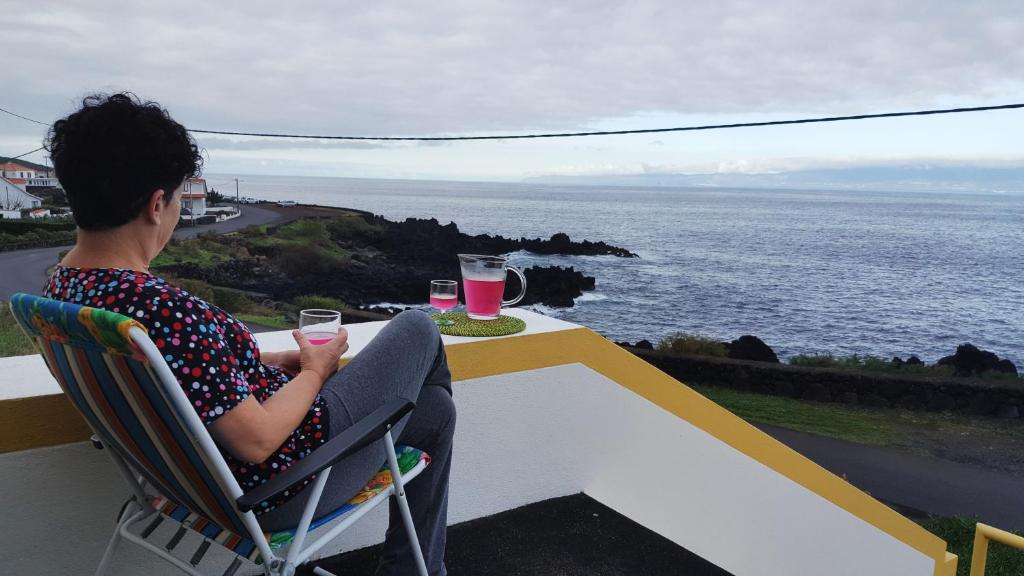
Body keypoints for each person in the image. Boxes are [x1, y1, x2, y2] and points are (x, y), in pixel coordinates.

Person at [43, 93, 454, 576]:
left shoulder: (63, 292)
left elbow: (190, 377)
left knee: (434, 411)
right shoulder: (164, 312)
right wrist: (316, 371)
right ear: (157, 204)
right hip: (284, 485)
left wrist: (264, 365)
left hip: (184, 483)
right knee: (418, 327)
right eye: (177, 197)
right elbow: (257, 441)